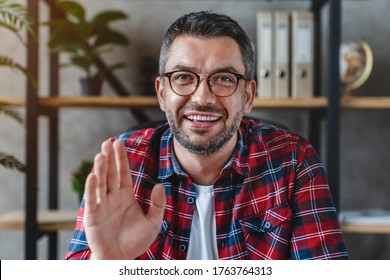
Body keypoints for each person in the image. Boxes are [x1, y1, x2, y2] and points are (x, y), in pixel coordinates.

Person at [65, 10, 348, 260]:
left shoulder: (293, 161)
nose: (202, 97)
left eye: (224, 79)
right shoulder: (123, 162)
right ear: (162, 93)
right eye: (184, 77)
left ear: (248, 96)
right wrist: (106, 263)